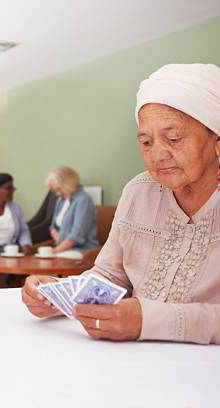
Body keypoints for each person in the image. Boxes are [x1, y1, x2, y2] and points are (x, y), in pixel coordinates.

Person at [22, 63, 220, 344]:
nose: (158, 154)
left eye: (174, 139)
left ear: (217, 141)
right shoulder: (138, 192)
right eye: (147, 142)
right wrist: (61, 293)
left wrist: (147, 321)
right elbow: (110, 274)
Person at [45, 165, 99, 259]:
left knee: (50, 260)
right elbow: (53, 227)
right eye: (55, 190)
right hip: (63, 249)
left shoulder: (84, 201)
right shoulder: (61, 200)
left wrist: (54, 251)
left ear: (68, 184)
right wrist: (58, 240)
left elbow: (76, 237)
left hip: (82, 250)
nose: (58, 194)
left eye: (59, 189)